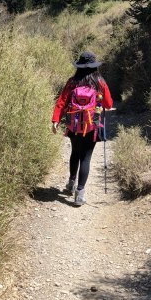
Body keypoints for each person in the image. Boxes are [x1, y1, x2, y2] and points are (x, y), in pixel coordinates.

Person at [52, 51, 113, 206]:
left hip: (74, 125)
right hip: (92, 126)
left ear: (79, 66)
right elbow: (108, 104)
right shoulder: (99, 82)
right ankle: (80, 193)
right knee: (86, 157)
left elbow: (62, 101)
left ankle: (71, 183)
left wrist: (55, 120)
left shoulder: (73, 81)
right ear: (94, 66)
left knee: (75, 152)